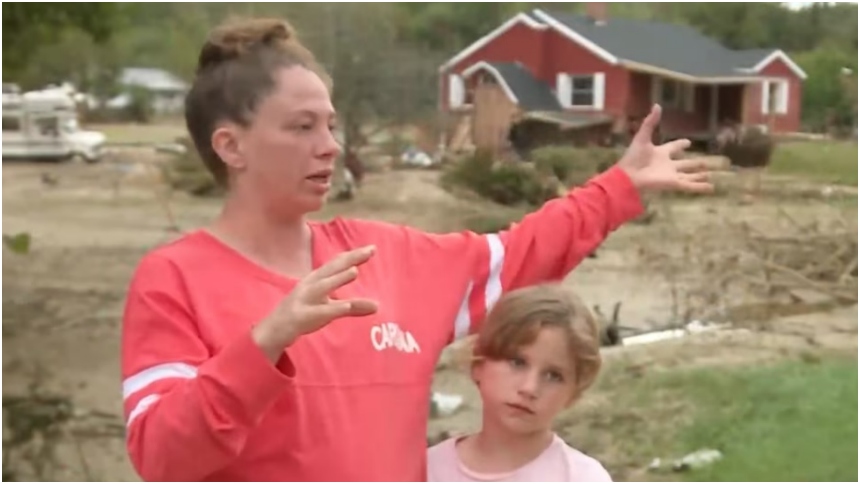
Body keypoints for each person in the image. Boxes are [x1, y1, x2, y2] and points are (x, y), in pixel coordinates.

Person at [119, 16, 712, 483]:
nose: (330, 146)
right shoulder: (174, 279)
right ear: (231, 145)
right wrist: (264, 343)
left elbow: (519, 255)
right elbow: (162, 457)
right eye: (302, 127)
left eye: (331, 125)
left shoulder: (383, 258)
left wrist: (617, 189)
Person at [427, 284, 611, 482]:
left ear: (573, 393)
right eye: (517, 363)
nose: (529, 388)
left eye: (553, 376)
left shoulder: (582, 477)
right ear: (479, 363)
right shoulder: (426, 469)